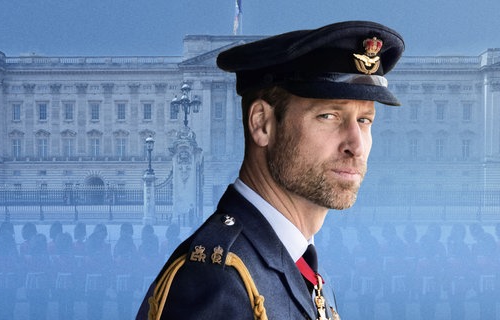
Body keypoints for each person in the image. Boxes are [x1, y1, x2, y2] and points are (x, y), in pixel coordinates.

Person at [137, 20, 405, 319]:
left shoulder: (301, 267)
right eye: (329, 116)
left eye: (365, 120)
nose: (356, 145)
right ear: (262, 124)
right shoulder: (217, 280)